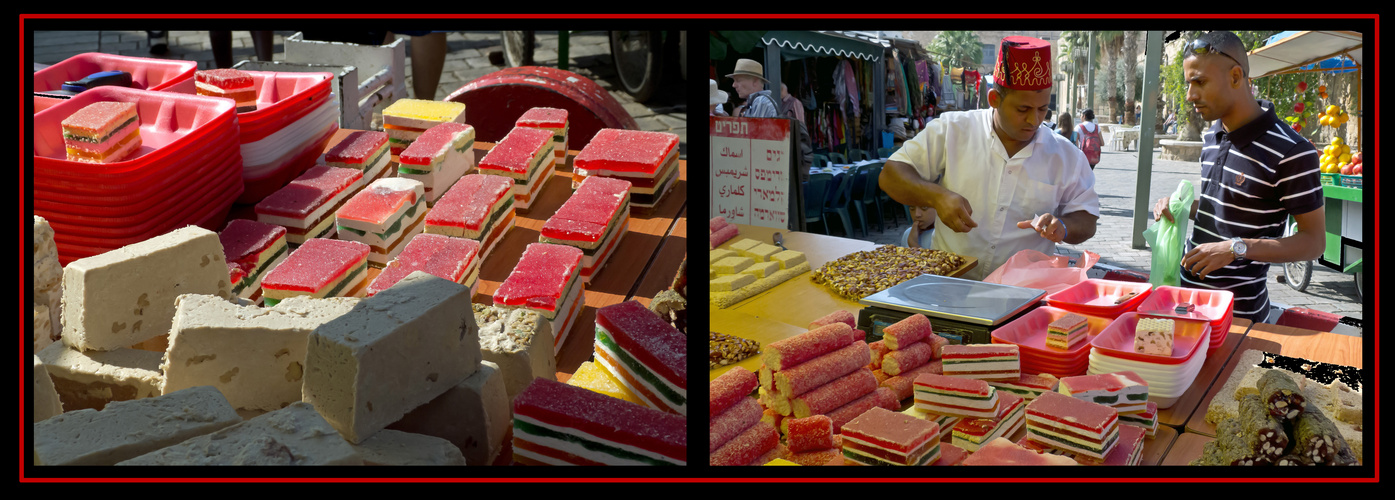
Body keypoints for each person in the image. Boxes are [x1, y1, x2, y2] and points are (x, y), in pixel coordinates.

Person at [880, 36, 1100, 281]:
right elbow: (890, 175)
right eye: (1023, 109)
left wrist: (1063, 227)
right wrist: (937, 197)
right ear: (994, 99)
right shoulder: (953, 130)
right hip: (947, 281)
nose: (1034, 120)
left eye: (1042, 109)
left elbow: (1087, 219)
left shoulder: (1066, 155)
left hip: (1022, 293)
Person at [1152, 30, 1325, 324]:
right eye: (1188, 84)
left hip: (1240, 319)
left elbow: (1313, 241)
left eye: (1200, 82)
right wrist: (1180, 207)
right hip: (1186, 305)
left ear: (1235, 77)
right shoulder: (1212, 135)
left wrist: (1235, 249)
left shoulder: (1292, 152)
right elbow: (1225, 209)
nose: (1190, 95)